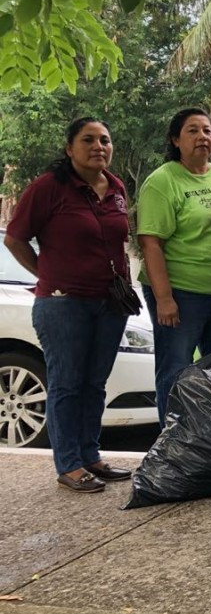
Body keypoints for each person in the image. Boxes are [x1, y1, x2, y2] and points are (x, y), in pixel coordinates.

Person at [3, 117, 134, 492]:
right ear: (69, 148)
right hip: (63, 304)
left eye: (105, 140)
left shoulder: (116, 187)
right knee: (67, 383)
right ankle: (69, 464)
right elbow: (15, 239)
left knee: (95, 383)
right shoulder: (49, 187)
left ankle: (90, 455)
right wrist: (48, 274)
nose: (98, 146)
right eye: (88, 140)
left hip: (110, 303)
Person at [137, 108, 211, 423]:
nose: (202, 137)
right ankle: (173, 445)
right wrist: (164, 298)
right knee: (176, 371)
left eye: (207, 130)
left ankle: (210, 442)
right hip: (181, 292)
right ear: (175, 140)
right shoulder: (162, 181)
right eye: (192, 131)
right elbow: (151, 243)